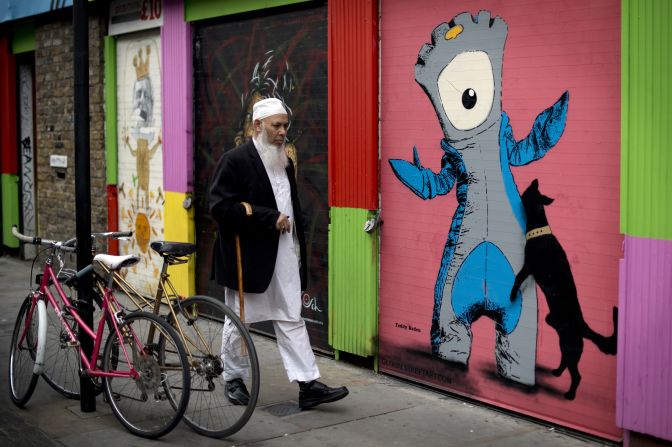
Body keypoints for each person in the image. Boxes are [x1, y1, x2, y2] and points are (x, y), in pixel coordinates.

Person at [209, 97, 349, 410]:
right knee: (239, 320)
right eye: (276, 125)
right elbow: (219, 207)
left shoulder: (284, 159)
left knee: (291, 316)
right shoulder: (235, 160)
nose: (282, 131)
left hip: (285, 254)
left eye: (285, 125)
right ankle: (233, 378)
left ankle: (308, 384)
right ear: (258, 126)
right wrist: (265, 217)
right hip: (248, 256)